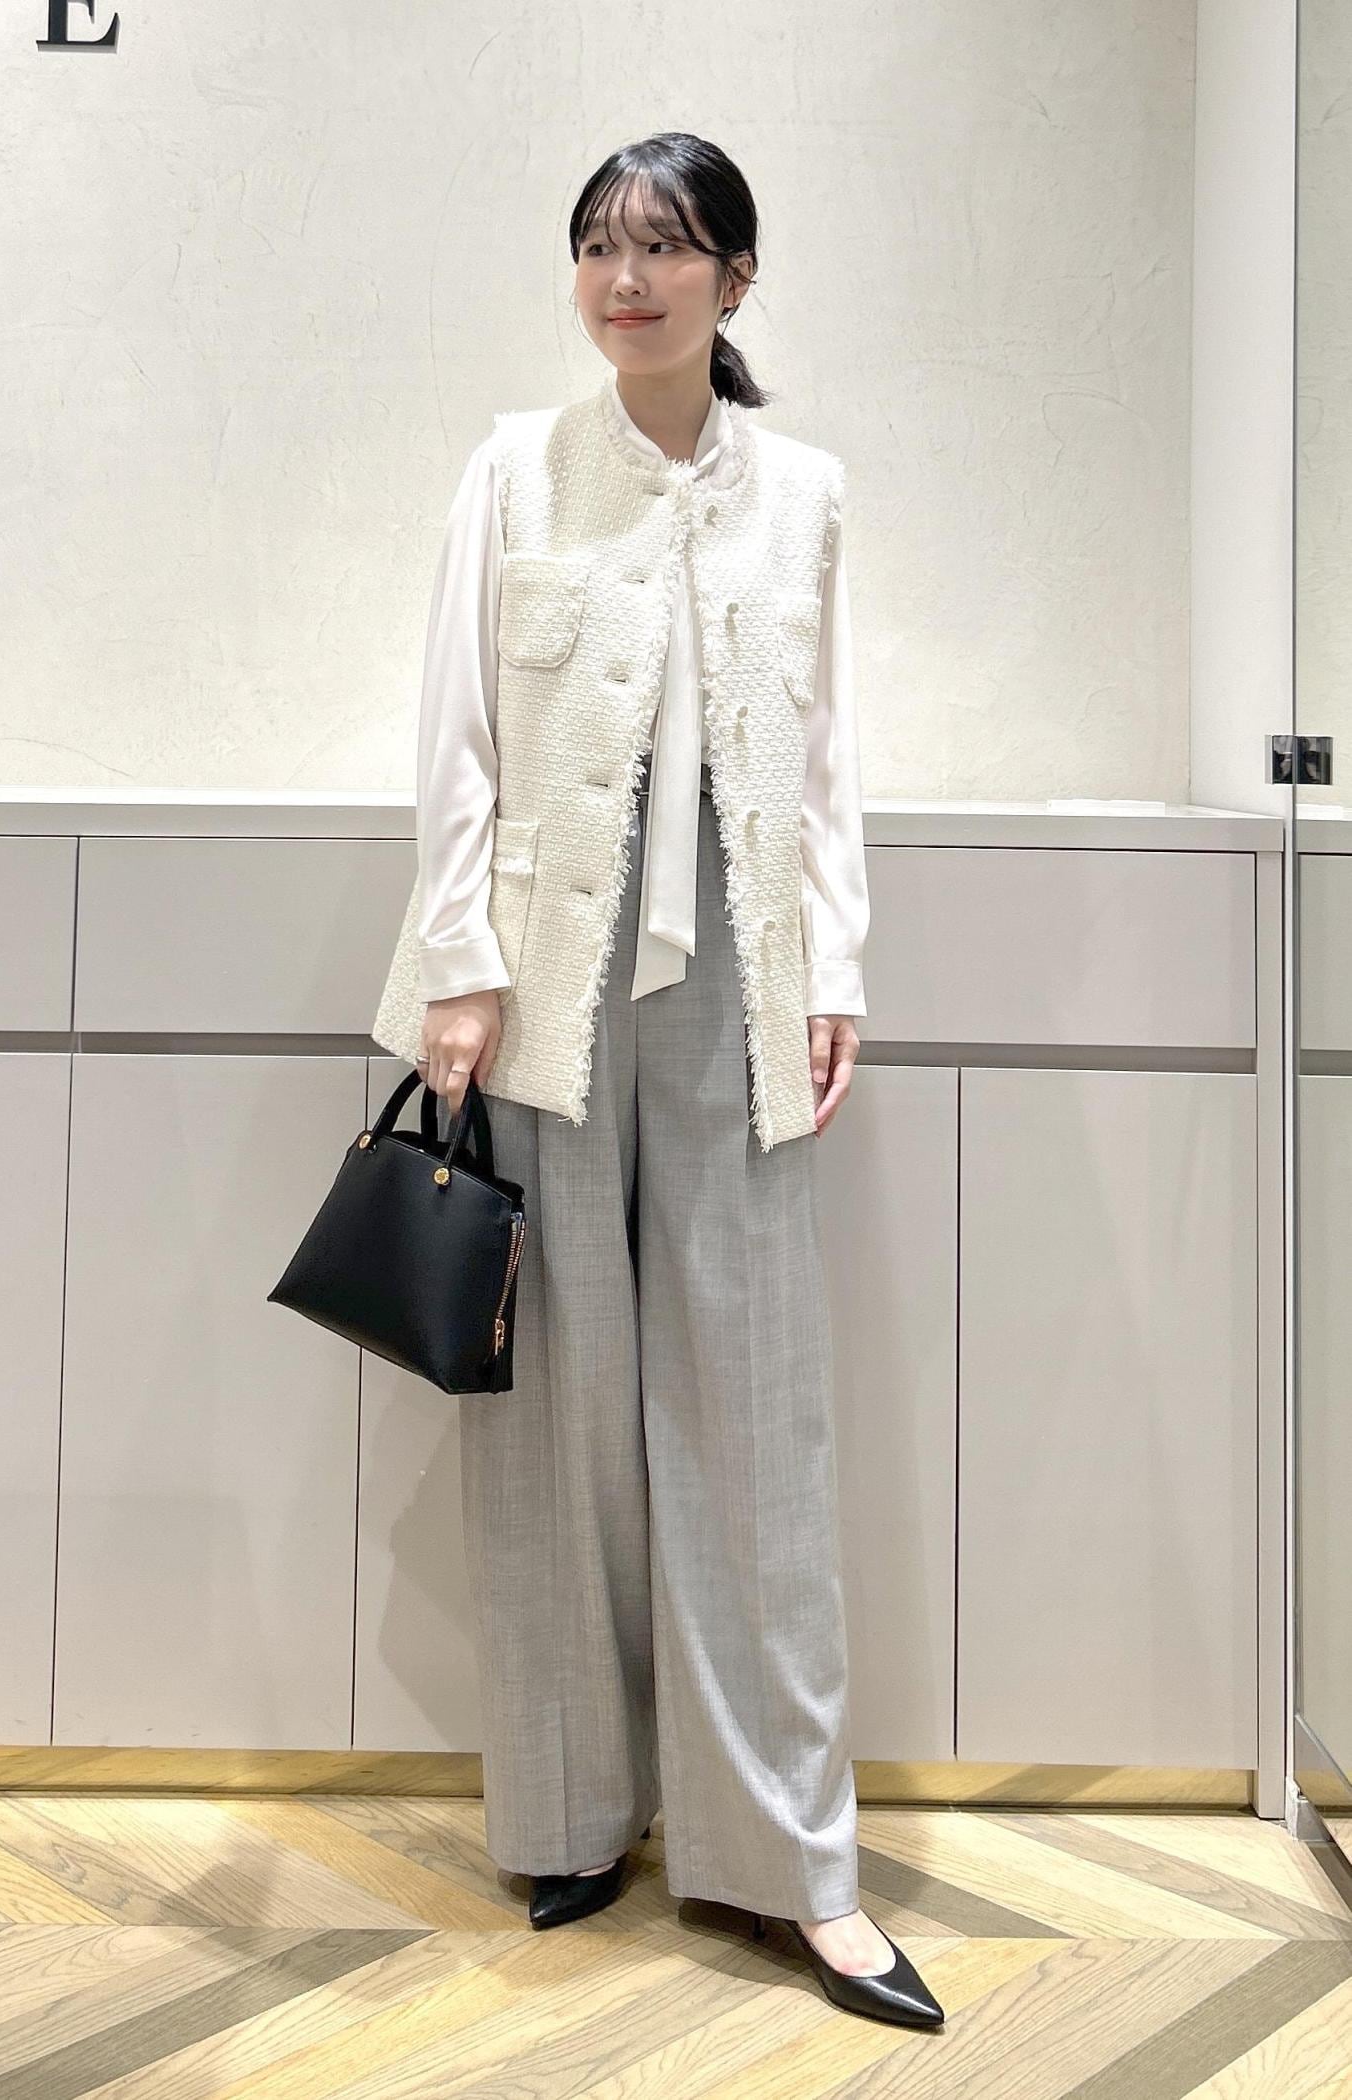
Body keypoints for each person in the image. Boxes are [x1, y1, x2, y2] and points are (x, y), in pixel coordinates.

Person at [372, 132, 943, 2032]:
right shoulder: (513, 471)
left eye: (669, 248)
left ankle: (797, 1868)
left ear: (736, 279)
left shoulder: (806, 494)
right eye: (602, 248)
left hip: (744, 970)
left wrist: (835, 966)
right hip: (544, 972)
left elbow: (828, 754)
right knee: (553, 1403)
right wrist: (459, 965)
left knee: (754, 1410)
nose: (629, 280)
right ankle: (564, 1814)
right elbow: (459, 730)